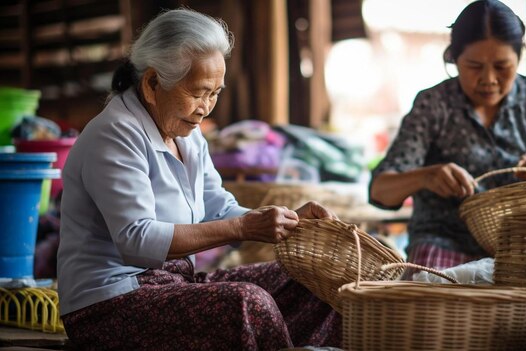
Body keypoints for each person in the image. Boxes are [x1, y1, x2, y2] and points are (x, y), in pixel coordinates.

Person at [57, 8, 341, 350]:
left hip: (175, 284)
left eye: (215, 93)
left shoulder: (187, 134)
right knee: (247, 303)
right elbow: (136, 239)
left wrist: (291, 222)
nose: (207, 107)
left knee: (315, 280)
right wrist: (245, 228)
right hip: (108, 305)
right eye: (198, 92)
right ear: (151, 83)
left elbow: (218, 208)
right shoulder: (114, 134)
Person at [369, 0, 526, 270]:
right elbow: (380, 191)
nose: (489, 78)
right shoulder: (434, 104)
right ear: (454, 58)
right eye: (474, 66)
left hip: (522, 246)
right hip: (443, 242)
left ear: (519, 58)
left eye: (502, 66)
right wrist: (427, 176)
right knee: (436, 293)